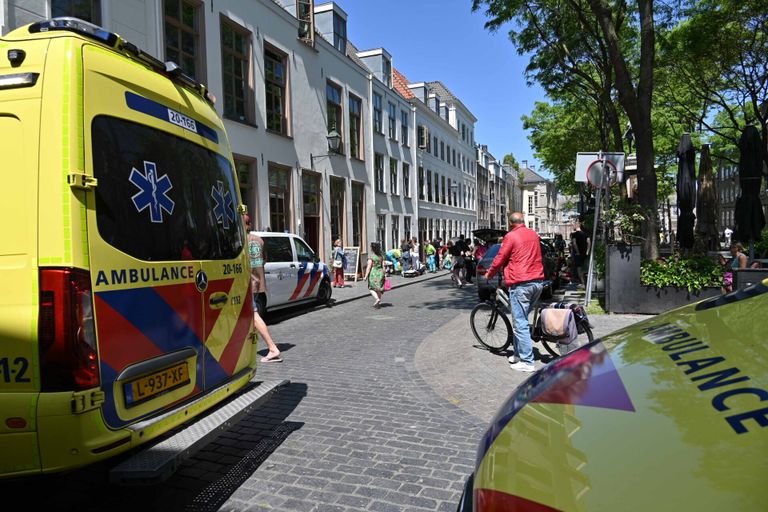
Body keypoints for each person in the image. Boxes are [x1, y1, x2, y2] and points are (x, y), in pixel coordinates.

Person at [485, 212, 545, 373]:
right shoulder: (533, 234)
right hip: (537, 282)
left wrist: (489, 273)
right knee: (522, 319)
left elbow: (500, 258)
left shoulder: (511, 236)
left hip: (521, 283)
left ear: (510, 223)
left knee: (519, 322)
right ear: (523, 221)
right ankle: (518, 354)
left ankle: (527, 361)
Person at [245, 215, 282, 363]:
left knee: (253, 315)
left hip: (246, 283)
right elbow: (265, 259)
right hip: (257, 281)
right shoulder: (259, 240)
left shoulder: (241, 241)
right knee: (249, 316)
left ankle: (272, 348)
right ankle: (249, 347)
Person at [363, 241, 386, 308]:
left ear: (372, 249)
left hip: (374, 273)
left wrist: (365, 276)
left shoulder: (371, 257)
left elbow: (368, 267)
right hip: (380, 273)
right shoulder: (381, 256)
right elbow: (383, 266)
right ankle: (378, 303)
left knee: (371, 288)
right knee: (379, 288)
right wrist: (385, 274)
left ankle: (377, 299)